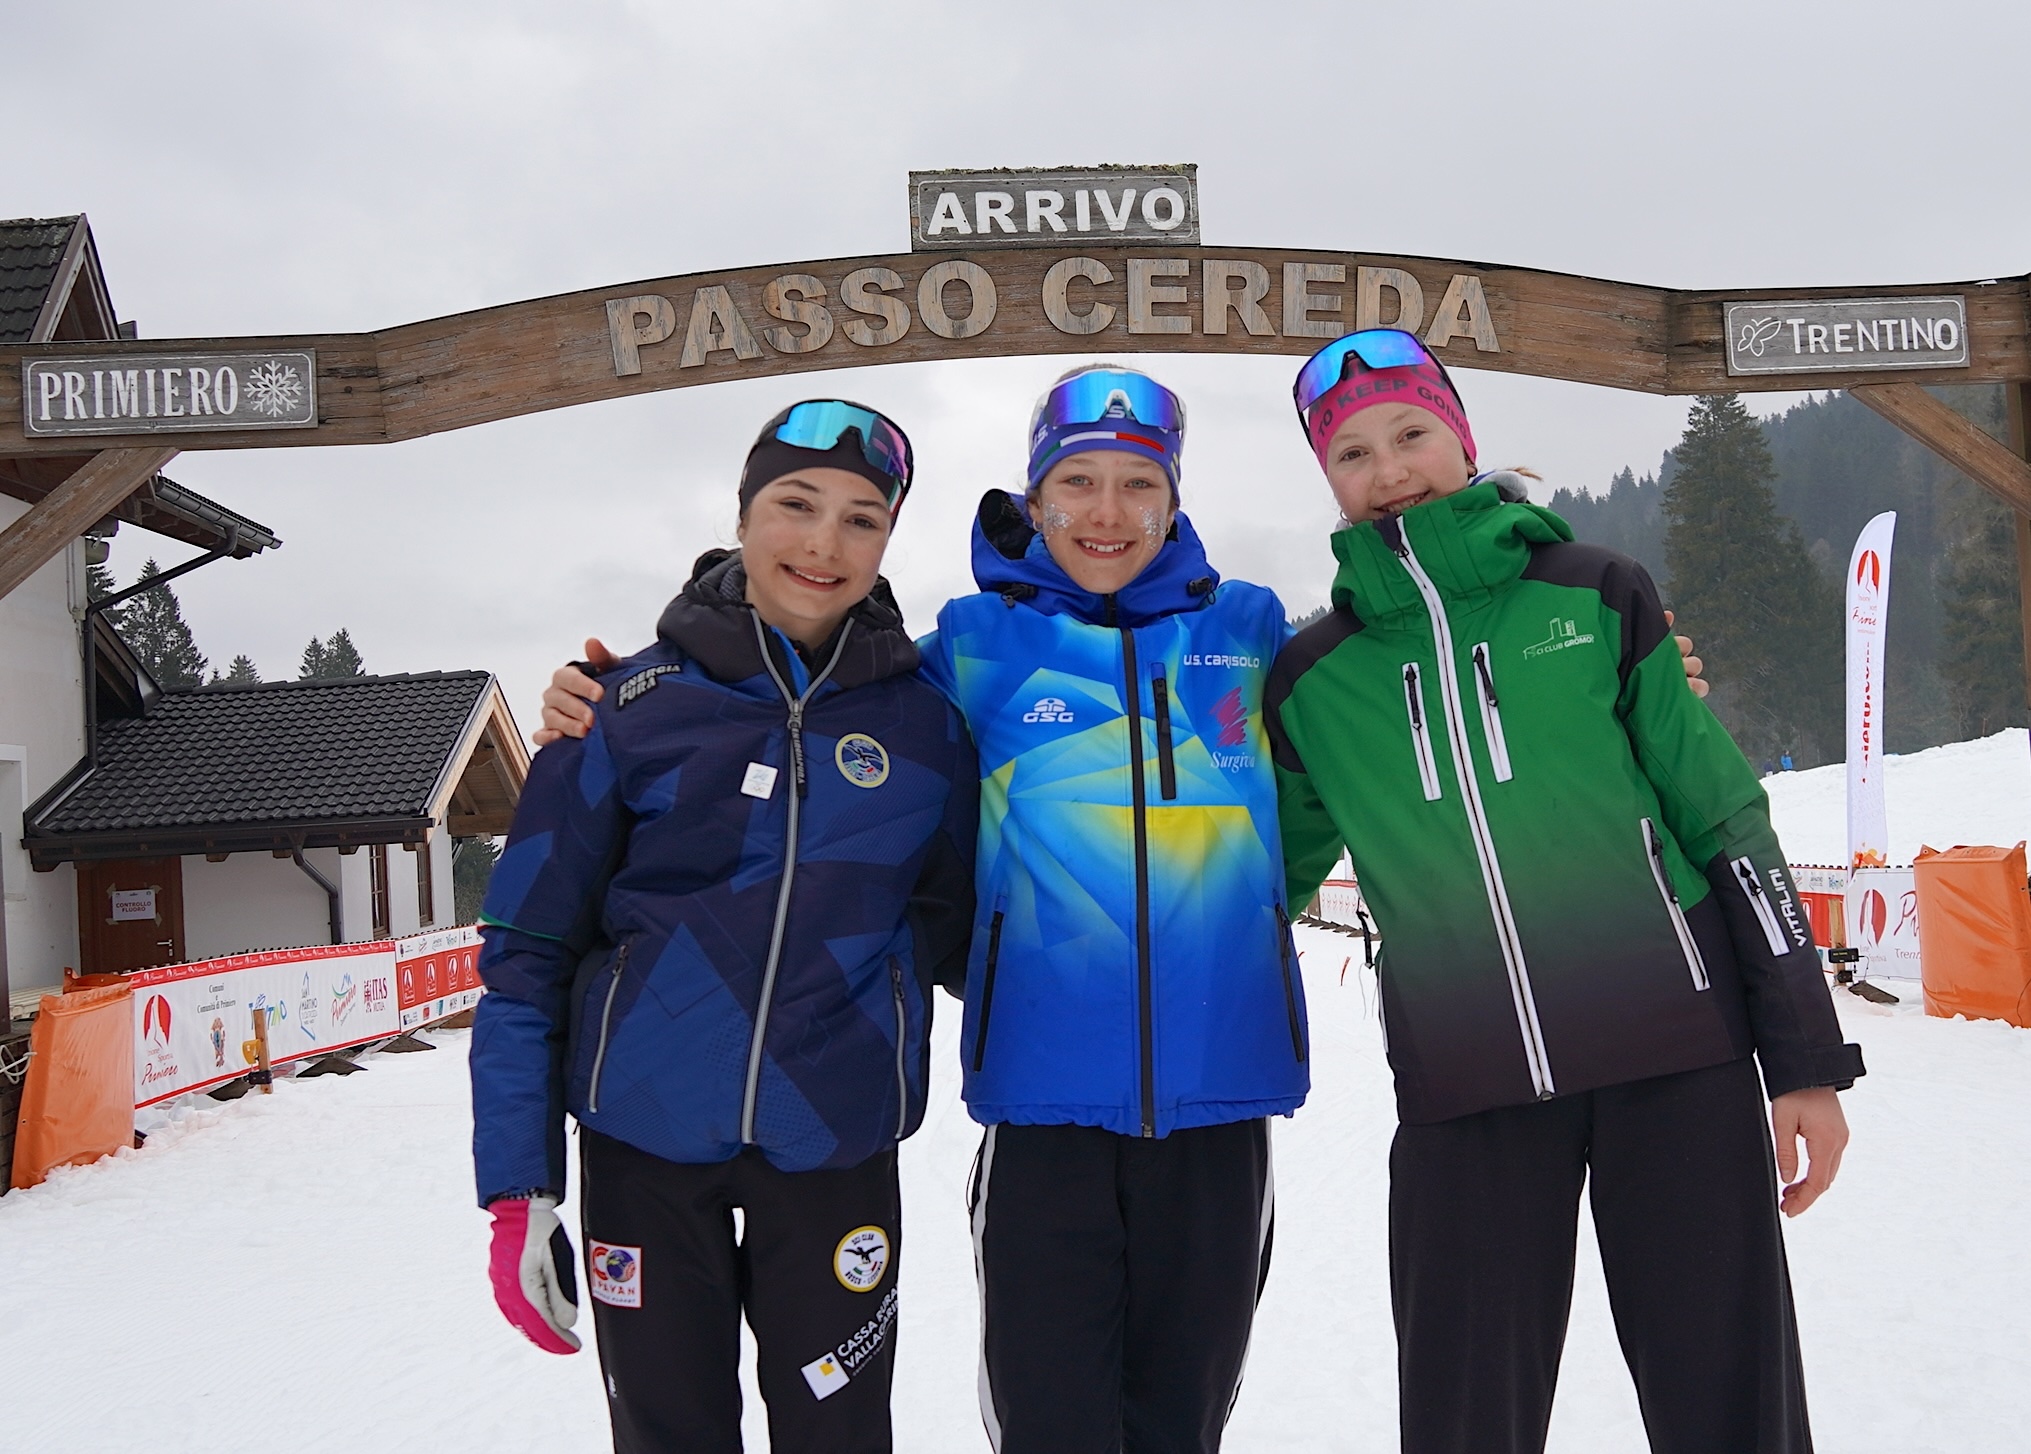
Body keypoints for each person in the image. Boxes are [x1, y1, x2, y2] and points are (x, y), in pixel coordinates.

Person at [535, 366, 1715, 1454]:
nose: (1108, 511)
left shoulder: (1253, 634)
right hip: (1045, 1114)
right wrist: (623, 687)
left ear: (1174, 496)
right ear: (1036, 497)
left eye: (1139, 483)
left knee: (1180, 1421)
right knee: (1051, 1423)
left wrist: (1623, 669)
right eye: (1078, 482)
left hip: (1216, 1104)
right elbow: (815, 683)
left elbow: (1399, 683)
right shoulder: (969, 651)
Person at [1266, 329, 1864, 1454]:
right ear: (1326, 477)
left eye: (1410, 432)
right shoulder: (1313, 678)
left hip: (1675, 1061)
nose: (1389, 467)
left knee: (1729, 1400)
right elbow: (1253, 883)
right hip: (1467, 1092)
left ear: (1461, 436)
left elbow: (1727, 821)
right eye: (1351, 451)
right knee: (1461, 1418)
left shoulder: (1594, 594)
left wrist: (1806, 1060)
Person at [470, 400, 977, 1454]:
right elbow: (526, 958)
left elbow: (953, 921)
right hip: (643, 1148)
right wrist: (519, 1186)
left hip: (832, 1144)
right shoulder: (621, 710)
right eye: (796, 504)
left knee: (839, 1437)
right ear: (743, 513)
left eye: (860, 518)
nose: (822, 544)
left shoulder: (927, 724)